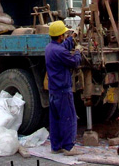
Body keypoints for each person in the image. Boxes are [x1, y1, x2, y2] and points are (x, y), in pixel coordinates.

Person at [45, 20, 82, 156]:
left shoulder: (49, 48)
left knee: (55, 120)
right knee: (68, 118)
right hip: (63, 90)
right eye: (64, 35)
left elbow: (62, 47)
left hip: (53, 90)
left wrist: (72, 38)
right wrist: (77, 51)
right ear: (60, 36)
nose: (65, 36)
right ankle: (69, 147)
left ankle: (56, 146)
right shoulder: (60, 51)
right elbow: (75, 62)